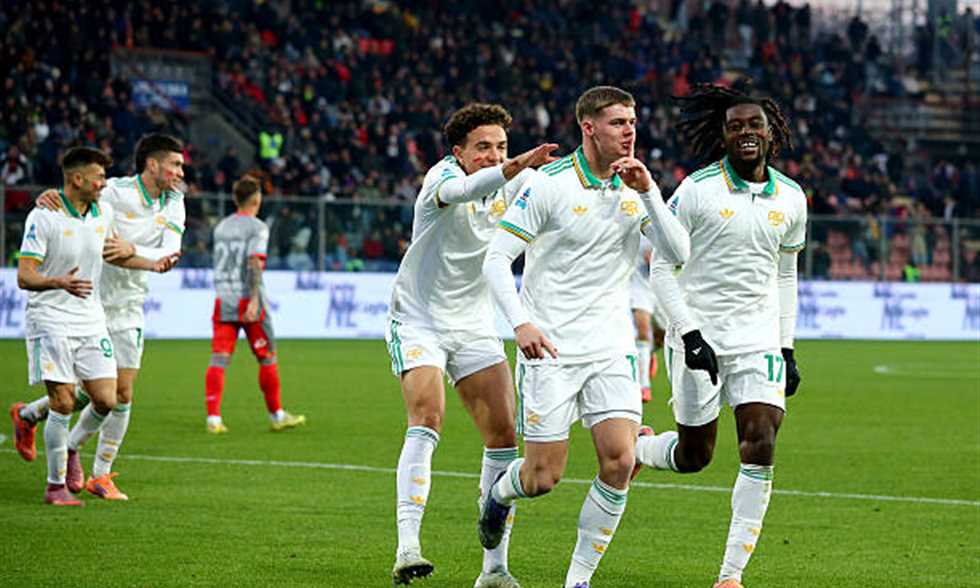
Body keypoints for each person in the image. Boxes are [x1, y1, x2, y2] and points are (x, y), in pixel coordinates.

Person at [479, 86, 689, 588]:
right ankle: (499, 494)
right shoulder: (547, 185)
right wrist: (520, 323)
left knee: (620, 461)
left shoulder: (635, 187)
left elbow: (678, 252)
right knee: (542, 478)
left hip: (612, 348)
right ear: (589, 127)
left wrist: (649, 191)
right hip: (549, 349)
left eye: (633, 122)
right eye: (618, 122)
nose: (629, 131)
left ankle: (578, 581)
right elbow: (495, 259)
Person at [633, 82, 806, 588]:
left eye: (755, 124)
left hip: (758, 340)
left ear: (771, 133)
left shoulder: (791, 198)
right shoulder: (696, 190)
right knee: (695, 457)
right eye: (736, 126)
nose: (746, 132)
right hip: (699, 338)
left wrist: (786, 347)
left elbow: (786, 275)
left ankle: (730, 576)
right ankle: (642, 449)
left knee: (761, 443)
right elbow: (661, 269)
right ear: (723, 135)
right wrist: (689, 335)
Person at [385, 102, 558, 587]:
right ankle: (407, 547)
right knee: (427, 416)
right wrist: (517, 164)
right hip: (418, 320)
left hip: (475, 322)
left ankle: (494, 570)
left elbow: (555, 189)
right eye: (483, 147)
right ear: (458, 152)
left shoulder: (516, 181)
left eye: (501, 146)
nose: (494, 155)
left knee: (503, 436)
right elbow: (466, 190)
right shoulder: (441, 179)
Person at [10, 133, 187, 501]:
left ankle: (81, 458)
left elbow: (170, 250)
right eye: (175, 164)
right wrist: (49, 195)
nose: (181, 173)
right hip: (91, 299)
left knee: (118, 394)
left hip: (130, 302)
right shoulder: (115, 192)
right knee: (78, 393)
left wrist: (133, 248)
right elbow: (75, 198)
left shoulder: (175, 202)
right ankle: (57, 451)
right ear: (152, 164)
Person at [204, 175, 305, 434]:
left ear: (235, 198)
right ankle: (277, 415)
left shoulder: (221, 227)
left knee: (219, 358)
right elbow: (254, 262)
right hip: (248, 299)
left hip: (223, 298)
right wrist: (254, 299)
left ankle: (213, 419)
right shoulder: (258, 227)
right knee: (267, 356)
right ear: (257, 199)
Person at [629, 239, 667, 402]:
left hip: (661, 288)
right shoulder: (632, 227)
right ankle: (643, 386)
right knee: (643, 331)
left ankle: (648, 353)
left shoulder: (663, 226)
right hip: (638, 287)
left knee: (666, 335)